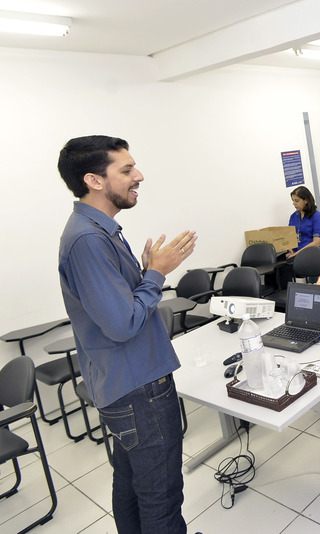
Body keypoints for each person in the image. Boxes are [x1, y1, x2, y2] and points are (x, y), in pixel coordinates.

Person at [57, 135, 197, 534]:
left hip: (123, 384)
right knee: (160, 497)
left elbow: (116, 306)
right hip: (139, 390)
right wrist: (156, 274)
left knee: (133, 486)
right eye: (127, 169)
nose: (139, 176)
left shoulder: (98, 230)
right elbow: (122, 325)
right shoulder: (88, 239)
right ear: (94, 180)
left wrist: (143, 272)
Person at [287, 185, 320, 259]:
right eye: (293, 200)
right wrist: (290, 250)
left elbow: (318, 242)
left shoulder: (317, 216)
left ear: (306, 200)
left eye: (297, 201)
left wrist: (296, 254)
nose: (294, 203)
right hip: (296, 253)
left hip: (312, 253)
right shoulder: (294, 216)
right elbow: (289, 237)